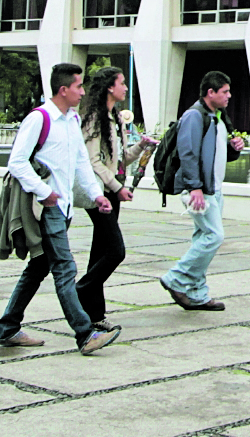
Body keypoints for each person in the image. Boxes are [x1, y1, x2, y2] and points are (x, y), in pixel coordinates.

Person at [0, 62, 120, 355]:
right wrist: (44, 192)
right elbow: (17, 162)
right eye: (78, 86)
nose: (83, 92)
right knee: (65, 268)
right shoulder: (39, 119)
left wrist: (96, 195)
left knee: (39, 266)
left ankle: (8, 327)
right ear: (63, 89)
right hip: (46, 206)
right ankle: (85, 334)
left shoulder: (72, 120)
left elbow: (81, 162)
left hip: (63, 206)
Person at [161, 70, 244, 311]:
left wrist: (233, 148)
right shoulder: (194, 116)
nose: (229, 96)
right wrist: (194, 187)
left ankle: (197, 294)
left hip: (213, 188)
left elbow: (215, 154)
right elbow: (188, 153)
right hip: (199, 190)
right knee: (214, 236)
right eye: (225, 92)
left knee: (203, 237)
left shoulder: (216, 117)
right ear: (211, 92)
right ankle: (176, 278)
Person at [76, 66, 143, 332]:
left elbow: (119, 160)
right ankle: (80, 290)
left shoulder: (114, 117)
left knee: (99, 252)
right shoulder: (95, 119)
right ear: (109, 87)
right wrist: (116, 187)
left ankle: (94, 315)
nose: (125, 88)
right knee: (115, 251)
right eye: (122, 83)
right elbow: (92, 162)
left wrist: (142, 146)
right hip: (99, 194)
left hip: (110, 193)